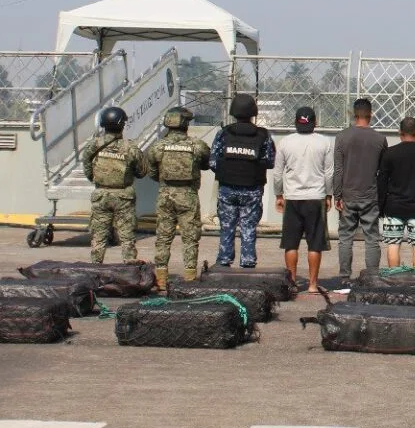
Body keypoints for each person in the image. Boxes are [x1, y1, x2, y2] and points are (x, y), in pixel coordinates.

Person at [144, 105, 211, 292]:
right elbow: (206, 163)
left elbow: (152, 172)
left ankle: (161, 279)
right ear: (185, 124)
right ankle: (189, 278)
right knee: (190, 238)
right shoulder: (197, 146)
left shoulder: (157, 146)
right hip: (188, 195)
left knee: (163, 238)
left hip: (165, 194)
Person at [272, 106, 336, 295]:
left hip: (292, 197)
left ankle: (292, 283)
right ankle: (312, 284)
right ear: (315, 122)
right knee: (315, 243)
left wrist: (278, 194)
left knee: (291, 243)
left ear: (296, 122)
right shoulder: (325, 142)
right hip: (315, 197)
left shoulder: (285, 142)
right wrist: (328, 195)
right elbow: (329, 173)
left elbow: (277, 173)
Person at [209, 94, 275, 269]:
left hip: (227, 189)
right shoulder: (263, 135)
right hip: (252, 189)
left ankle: (224, 260)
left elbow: (213, 162)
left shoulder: (223, 133)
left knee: (227, 226)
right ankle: (247, 261)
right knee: (248, 227)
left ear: (233, 111)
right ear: (253, 112)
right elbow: (269, 161)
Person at [80, 105, 146, 265]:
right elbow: (142, 171)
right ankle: (130, 269)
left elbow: (88, 170)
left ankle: (95, 269)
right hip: (124, 196)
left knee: (98, 237)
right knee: (127, 237)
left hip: (101, 195)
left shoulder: (93, 146)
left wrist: (101, 182)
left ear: (103, 124)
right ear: (122, 125)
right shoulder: (130, 148)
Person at [332, 97, 388, 281]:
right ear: (370, 115)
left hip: (348, 194)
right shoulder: (380, 139)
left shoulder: (341, 137)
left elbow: (338, 169)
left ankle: (344, 277)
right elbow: (382, 172)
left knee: (345, 237)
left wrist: (337, 194)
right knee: (372, 237)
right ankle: (372, 277)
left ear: (353, 115)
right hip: (370, 195)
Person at [375, 117, 415, 268]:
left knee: (393, 245)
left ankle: (394, 279)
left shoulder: (390, 153)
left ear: (400, 132)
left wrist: (380, 206)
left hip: (393, 206)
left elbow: (382, 182)